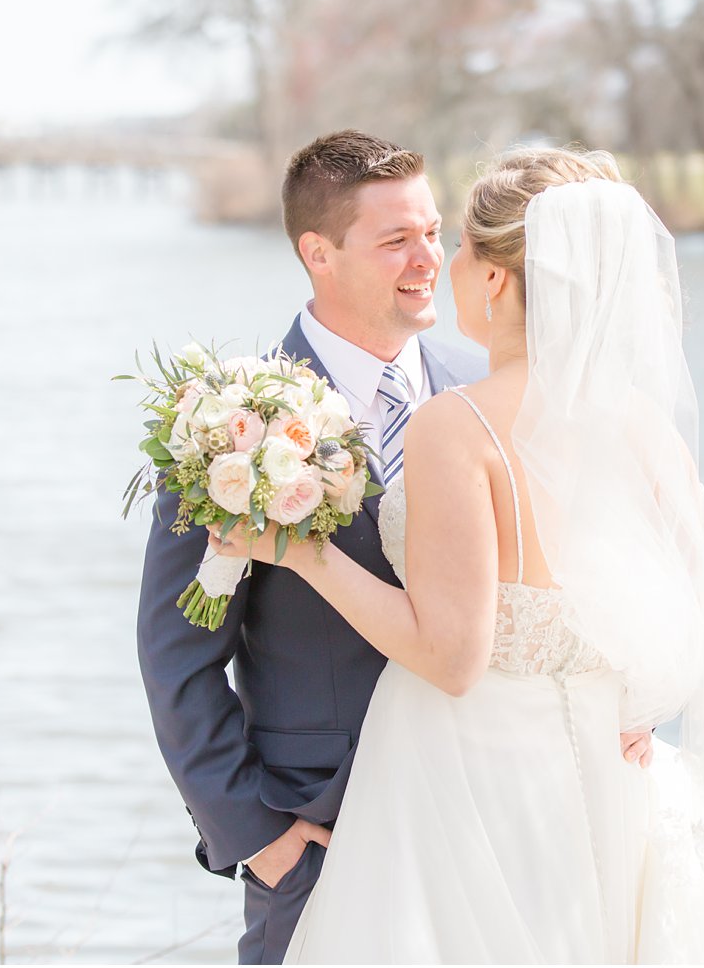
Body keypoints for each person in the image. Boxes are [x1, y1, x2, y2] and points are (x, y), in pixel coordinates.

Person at [208, 148, 704, 963]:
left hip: (465, 778)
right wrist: (643, 703)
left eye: (462, 247)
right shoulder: (640, 426)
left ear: (500, 281)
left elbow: (452, 657)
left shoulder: (458, 423)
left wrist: (298, 554)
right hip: (609, 779)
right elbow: (703, 608)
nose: (446, 264)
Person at [136, 129, 485, 965]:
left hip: (484, 813)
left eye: (432, 232)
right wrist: (262, 839)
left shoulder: (480, 386)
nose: (427, 258)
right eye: (396, 239)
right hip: (325, 832)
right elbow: (176, 655)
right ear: (318, 252)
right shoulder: (227, 425)